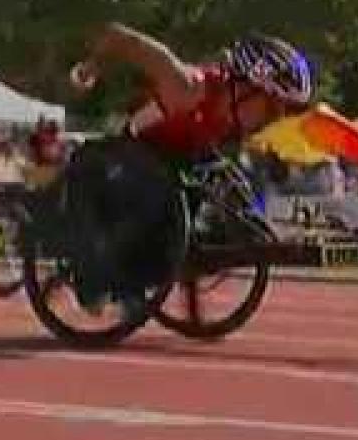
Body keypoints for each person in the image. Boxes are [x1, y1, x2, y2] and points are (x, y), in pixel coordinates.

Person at [63, 22, 314, 312]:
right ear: (244, 88)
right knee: (160, 200)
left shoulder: (233, 118)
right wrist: (91, 66)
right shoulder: (189, 86)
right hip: (129, 159)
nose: (275, 117)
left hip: (177, 163)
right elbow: (123, 37)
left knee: (228, 200)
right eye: (272, 106)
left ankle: (149, 273)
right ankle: (104, 276)